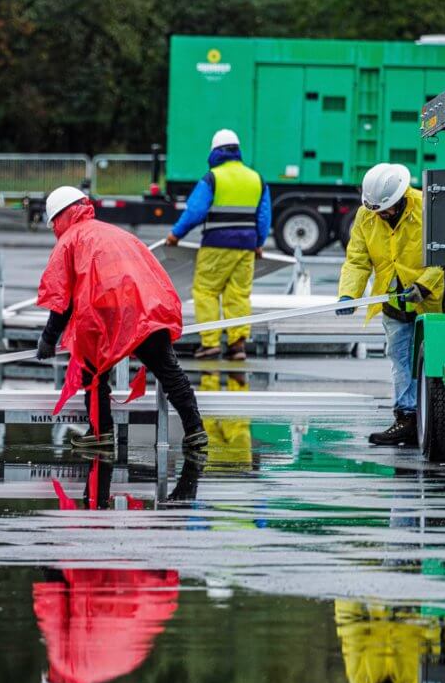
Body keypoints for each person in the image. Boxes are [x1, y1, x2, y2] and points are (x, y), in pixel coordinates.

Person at [37, 185, 207, 453]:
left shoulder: (70, 241)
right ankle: (195, 431)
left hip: (107, 315)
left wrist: (48, 338)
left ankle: (101, 433)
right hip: (147, 309)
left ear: (60, 217)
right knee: (169, 371)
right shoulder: (117, 233)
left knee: (93, 374)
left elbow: (62, 298)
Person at [336, 163, 445, 447]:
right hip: (395, 299)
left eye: (387, 209)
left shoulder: (428, 208)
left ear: (400, 197)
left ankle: (437, 418)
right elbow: (357, 259)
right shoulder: (366, 216)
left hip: (435, 298)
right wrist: (348, 294)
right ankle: (407, 418)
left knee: (437, 360)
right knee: (400, 357)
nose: (381, 214)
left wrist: (423, 286)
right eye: (376, 210)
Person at [165, 129, 272, 361]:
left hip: (216, 244)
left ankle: (210, 343)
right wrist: (258, 243)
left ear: (215, 151)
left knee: (207, 291)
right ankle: (237, 345)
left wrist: (176, 235)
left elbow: (195, 211)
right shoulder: (256, 178)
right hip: (246, 248)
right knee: (239, 295)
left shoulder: (212, 177)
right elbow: (264, 217)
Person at [34, 568, 180, 683]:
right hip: (101, 572)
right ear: (51, 682)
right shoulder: (63, 663)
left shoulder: (125, 666)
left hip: (155, 581)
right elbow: (51, 600)